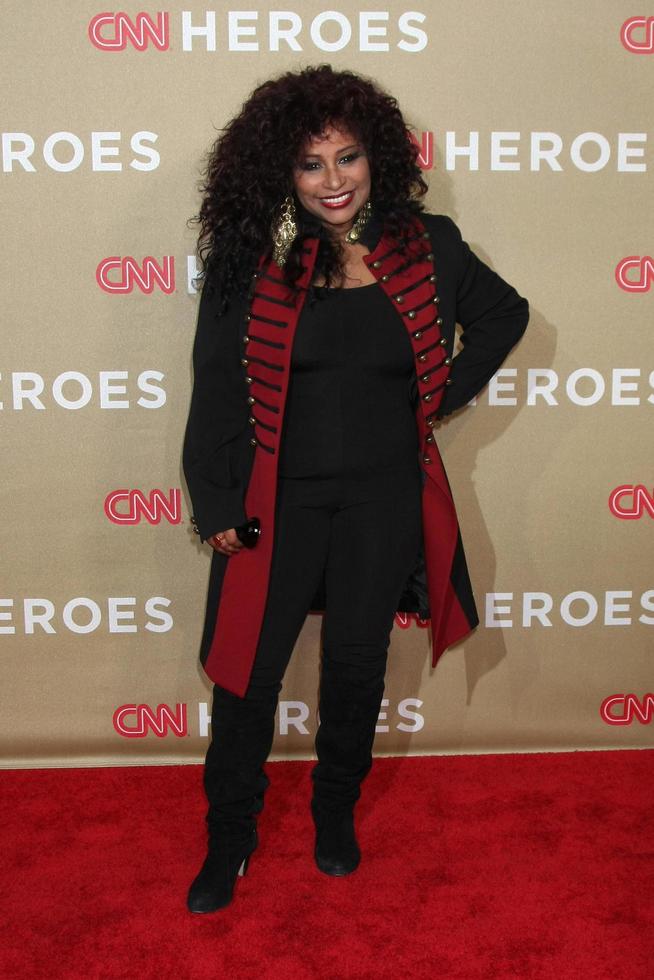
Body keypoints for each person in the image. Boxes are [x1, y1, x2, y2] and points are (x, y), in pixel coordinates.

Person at [182, 64, 529, 914]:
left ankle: (335, 813)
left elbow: (505, 314)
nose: (333, 181)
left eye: (348, 157)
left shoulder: (429, 244)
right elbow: (217, 384)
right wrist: (217, 502)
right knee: (247, 678)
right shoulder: (249, 257)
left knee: (356, 666)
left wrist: (443, 392)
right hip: (278, 501)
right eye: (311, 164)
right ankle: (232, 835)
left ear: (376, 156)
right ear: (280, 172)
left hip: (383, 500)